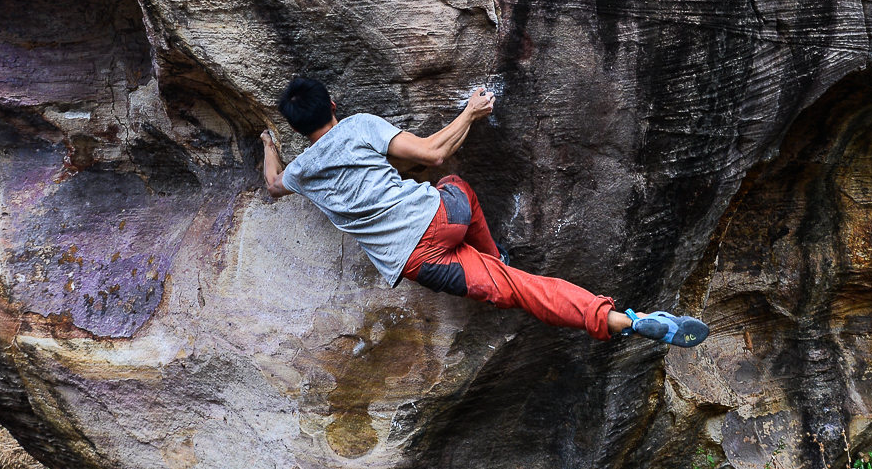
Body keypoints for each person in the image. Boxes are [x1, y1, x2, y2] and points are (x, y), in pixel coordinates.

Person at [259, 76, 708, 348]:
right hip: (440, 218)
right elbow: (433, 154)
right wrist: (470, 113)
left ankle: (623, 322)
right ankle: (500, 259)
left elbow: (273, 183)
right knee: (456, 185)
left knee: (523, 291)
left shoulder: (299, 171)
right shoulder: (358, 126)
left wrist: (268, 145)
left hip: (418, 263)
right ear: (333, 104)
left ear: (300, 129)